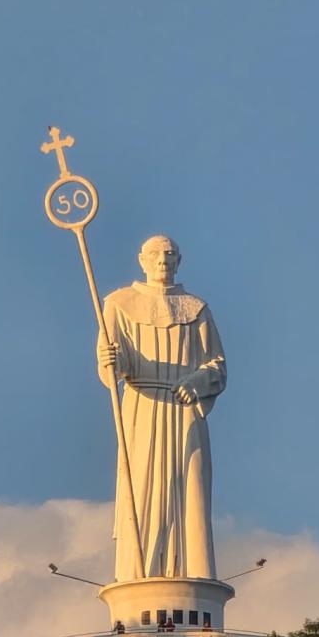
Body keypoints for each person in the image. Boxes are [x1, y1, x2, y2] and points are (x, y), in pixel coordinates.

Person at [98, 236, 226, 582]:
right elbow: (113, 363)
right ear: (142, 260)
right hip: (143, 408)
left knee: (190, 488)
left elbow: (217, 365)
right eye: (155, 254)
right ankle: (138, 577)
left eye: (169, 253)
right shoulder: (118, 304)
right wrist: (112, 360)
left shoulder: (196, 309)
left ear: (180, 259)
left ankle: (193, 575)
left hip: (185, 410)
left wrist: (197, 381)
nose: (163, 260)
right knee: (142, 487)